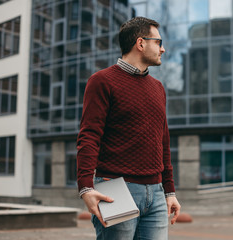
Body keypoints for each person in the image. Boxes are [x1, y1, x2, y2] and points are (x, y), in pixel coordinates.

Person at [76, 16, 181, 240]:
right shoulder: (101, 81)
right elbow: (89, 136)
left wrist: (169, 191)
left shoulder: (158, 88)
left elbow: (163, 141)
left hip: (155, 192)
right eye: (158, 42)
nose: (163, 49)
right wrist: (85, 187)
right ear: (140, 43)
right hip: (115, 190)